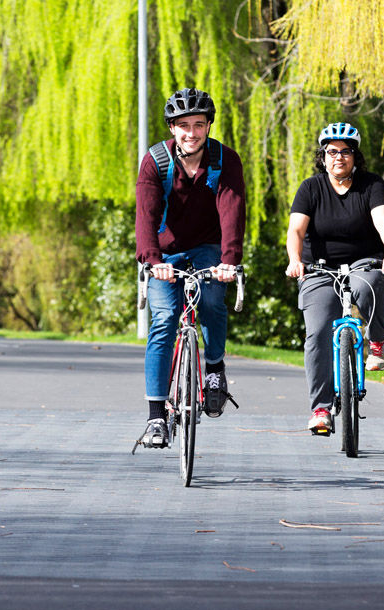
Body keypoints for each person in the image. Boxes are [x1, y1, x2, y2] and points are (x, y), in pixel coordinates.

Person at [135, 87, 245, 448]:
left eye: (199, 124)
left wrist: (229, 261)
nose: (192, 132)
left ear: (209, 126)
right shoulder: (155, 162)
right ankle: (156, 418)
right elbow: (146, 216)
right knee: (165, 319)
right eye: (184, 125)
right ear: (172, 128)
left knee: (213, 300)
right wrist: (152, 261)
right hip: (165, 253)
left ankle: (213, 369)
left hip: (209, 248)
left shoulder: (224, 160)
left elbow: (232, 211)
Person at [285, 122, 384, 433]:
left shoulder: (371, 185)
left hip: (363, 261)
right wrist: (295, 261)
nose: (339, 157)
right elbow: (296, 230)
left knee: (371, 285)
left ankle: (376, 343)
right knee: (319, 330)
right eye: (332, 152)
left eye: (346, 151)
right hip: (318, 268)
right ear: (322, 156)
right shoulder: (311, 188)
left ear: (355, 156)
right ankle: (321, 409)